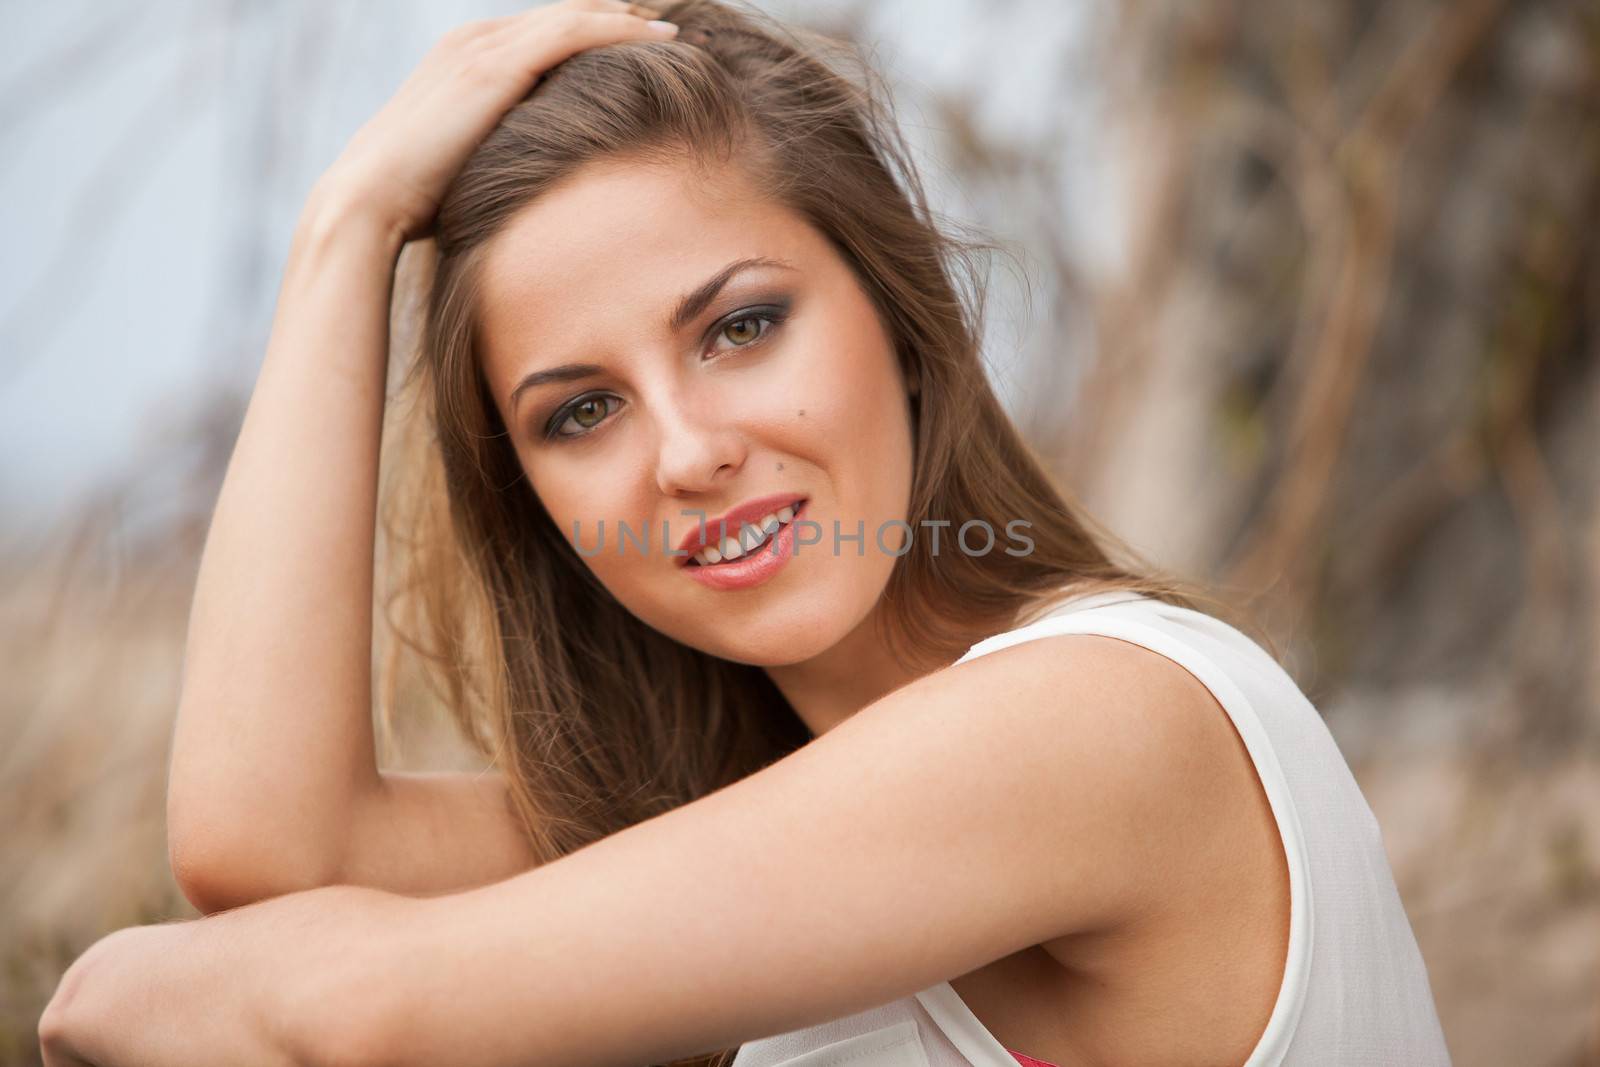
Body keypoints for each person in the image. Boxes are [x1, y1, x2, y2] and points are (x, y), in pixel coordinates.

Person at [39, 1, 1452, 1065]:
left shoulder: (1097, 718)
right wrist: (347, 230)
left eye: (742, 327)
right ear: (534, 502)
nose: (689, 451)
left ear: (900, 323)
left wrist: (123, 986)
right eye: (579, 413)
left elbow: (327, 1012)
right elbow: (265, 852)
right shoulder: (747, 799)